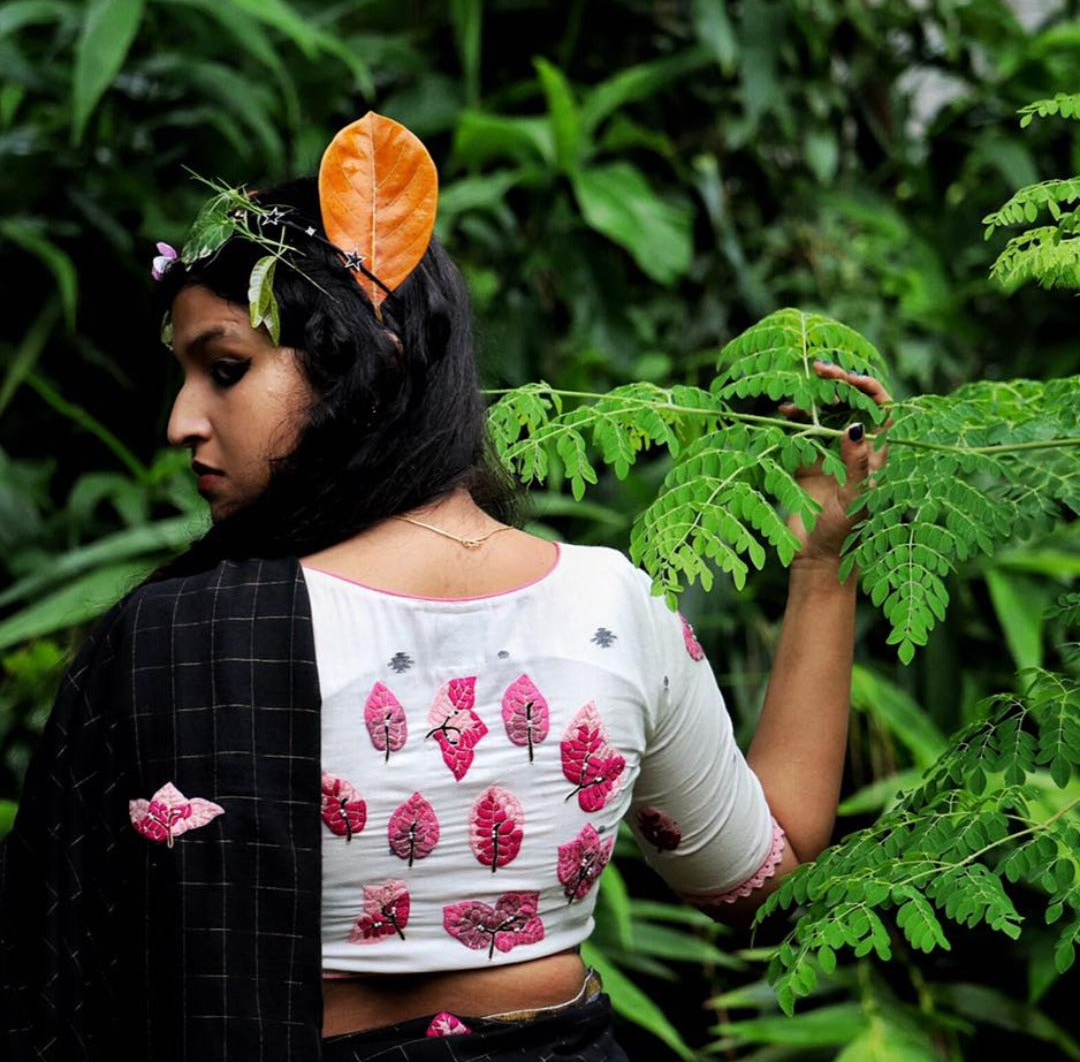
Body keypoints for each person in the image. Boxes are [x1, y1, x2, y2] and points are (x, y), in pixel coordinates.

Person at [0, 113, 890, 1061]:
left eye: (225, 369)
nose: (183, 421)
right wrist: (823, 572)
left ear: (367, 361)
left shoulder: (180, 637)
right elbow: (770, 886)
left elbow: (48, 992)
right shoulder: (613, 608)